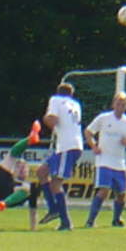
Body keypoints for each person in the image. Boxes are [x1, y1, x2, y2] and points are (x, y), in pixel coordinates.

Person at [83, 91, 126, 228]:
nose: (120, 106)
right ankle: (90, 220)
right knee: (103, 190)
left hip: (119, 162)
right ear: (113, 104)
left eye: (123, 104)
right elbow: (88, 132)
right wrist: (93, 146)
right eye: (118, 103)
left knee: (121, 194)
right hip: (104, 161)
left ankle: (116, 219)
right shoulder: (104, 118)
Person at [36, 83, 83, 231]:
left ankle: (65, 221)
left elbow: (52, 120)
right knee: (42, 172)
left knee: (56, 183)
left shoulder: (55, 100)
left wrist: (43, 120)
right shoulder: (76, 104)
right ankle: (53, 208)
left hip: (66, 146)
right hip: (71, 145)